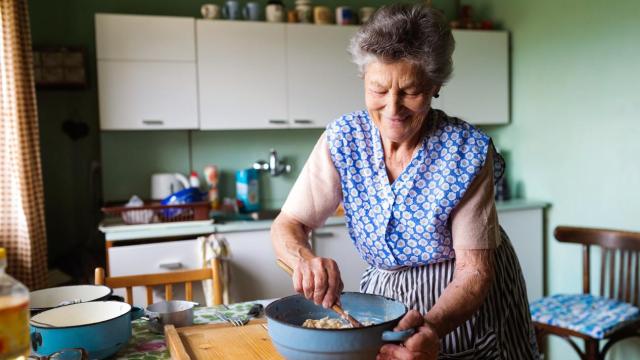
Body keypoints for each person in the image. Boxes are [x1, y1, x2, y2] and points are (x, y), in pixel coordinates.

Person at [270, 4, 538, 359]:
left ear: (435, 85)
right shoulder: (344, 139)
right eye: (379, 90)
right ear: (364, 79)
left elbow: (473, 270)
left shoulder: (466, 151)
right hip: (385, 299)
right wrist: (303, 258)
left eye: (410, 91)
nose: (393, 109)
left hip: (463, 301)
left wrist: (431, 327)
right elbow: (288, 224)